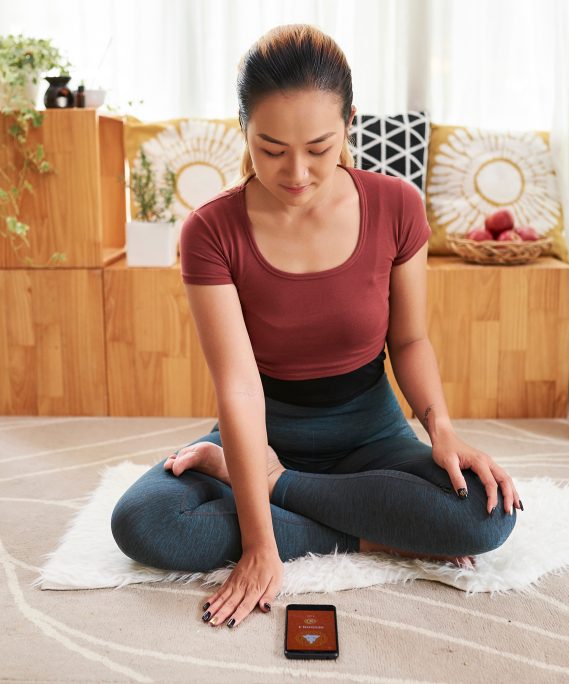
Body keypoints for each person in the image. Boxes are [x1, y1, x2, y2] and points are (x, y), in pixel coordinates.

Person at [111, 23, 521, 632]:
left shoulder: (397, 206)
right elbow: (240, 388)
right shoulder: (210, 231)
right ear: (243, 128)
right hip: (257, 432)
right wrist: (258, 541)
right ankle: (367, 531)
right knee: (144, 524)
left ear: (351, 123)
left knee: (488, 517)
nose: (296, 172)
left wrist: (441, 428)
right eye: (271, 149)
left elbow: (408, 340)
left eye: (319, 148)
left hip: (371, 434)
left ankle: (284, 486)